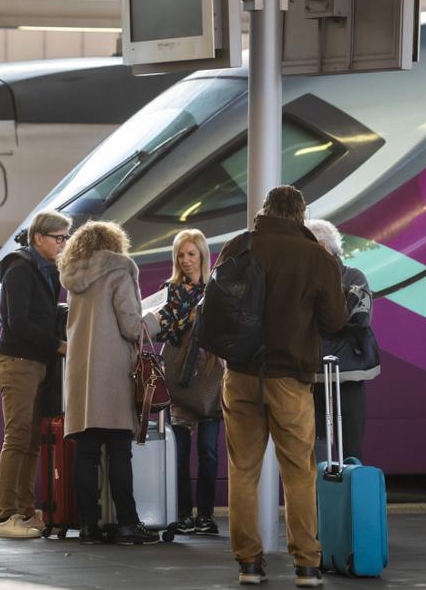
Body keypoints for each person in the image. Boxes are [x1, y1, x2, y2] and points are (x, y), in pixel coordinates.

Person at [210, 186, 347, 587]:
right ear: (301, 215)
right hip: (289, 379)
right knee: (298, 474)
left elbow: (219, 302)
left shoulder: (239, 245)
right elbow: (336, 321)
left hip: (240, 376)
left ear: (265, 212)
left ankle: (248, 564)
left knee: (243, 471)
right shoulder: (315, 257)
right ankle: (306, 564)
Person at [58, 220, 160, 546]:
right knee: (119, 452)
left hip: (80, 375)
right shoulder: (121, 271)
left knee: (85, 453)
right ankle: (127, 524)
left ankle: (88, 526)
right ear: (116, 243)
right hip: (113, 373)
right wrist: (158, 318)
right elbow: (131, 327)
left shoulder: (74, 278)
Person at [0, 209, 71, 539]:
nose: (63, 245)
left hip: (37, 364)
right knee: (17, 437)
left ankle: (25, 511)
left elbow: (41, 313)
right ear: (38, 238)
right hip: (18, 362)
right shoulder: (20, 268)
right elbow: (19, 322)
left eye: (66, 238)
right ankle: (5, 516)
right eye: (58, 238)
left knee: (32, 441)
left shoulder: (47, 270)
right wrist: (58, 346)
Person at [146, 228, 221, 537]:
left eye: (191, 254)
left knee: (209, 450)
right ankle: (181, 513)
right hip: (179, 375)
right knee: (179, 451)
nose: (186, 260)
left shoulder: (216, 289)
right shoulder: (169, 290)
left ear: (202, 255)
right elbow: (163, 331)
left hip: (211, 374)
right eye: (180, 254)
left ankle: (205, 514)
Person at [305, 219, 379, 463]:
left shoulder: (354, 277)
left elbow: (358, 319)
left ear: (332, 250)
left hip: (348, 376)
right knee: (316, 454)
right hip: (312, 378)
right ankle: (318, 500)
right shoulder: (303, 281)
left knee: (351, 452)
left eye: (317, 249)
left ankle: (349, 500)